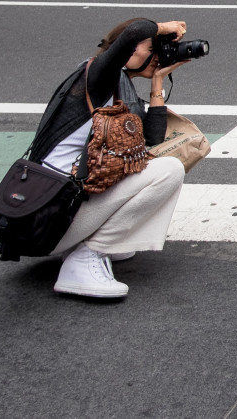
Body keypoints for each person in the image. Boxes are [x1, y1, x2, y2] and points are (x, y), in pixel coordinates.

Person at [36, 18, 190, 298]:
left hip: (59, 212)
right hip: (47, 216)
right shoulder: (98, 74)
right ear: (127, 50)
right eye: (152, 49)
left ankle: (93, 242)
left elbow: (152, 139)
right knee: (169, 170)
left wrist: (157, 81)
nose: (158, 56)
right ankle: (85, 257)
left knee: (156, 163)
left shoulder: (123, 88)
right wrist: (165, 28)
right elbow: (136, 30)